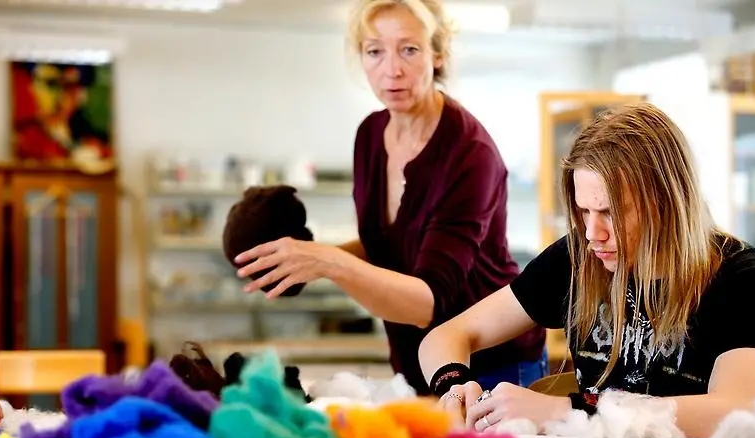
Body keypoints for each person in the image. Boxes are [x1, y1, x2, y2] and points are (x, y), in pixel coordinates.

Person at [233, 0, 547, 395]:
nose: (392, 69)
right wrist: (301, 261)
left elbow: (426, 303)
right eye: (375, 51)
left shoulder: (469, 153)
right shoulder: (370, 135)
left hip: (489, 363)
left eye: (409, 49)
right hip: (415, 362)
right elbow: (386, 243)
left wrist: (328, 261)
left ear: (437, 54)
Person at [418, 102, 755, 438]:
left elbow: (735, 411)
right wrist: (454, 387)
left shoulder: (740, 276)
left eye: (610, 213)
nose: (592, 234)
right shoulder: (577, 257)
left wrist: (566, 410)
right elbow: (446, 336)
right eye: (583, 211)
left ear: (665, 202)